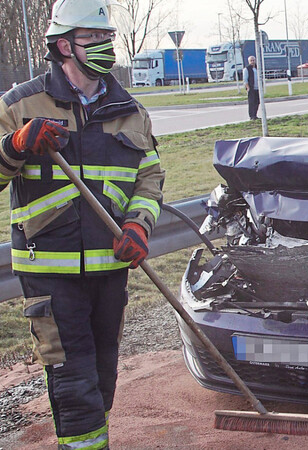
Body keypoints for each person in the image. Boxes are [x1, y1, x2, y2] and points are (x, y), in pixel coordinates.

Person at [0, 0, 164, 448]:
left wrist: (139, 226)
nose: (104, 48)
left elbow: (150, 178)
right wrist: (15, 146)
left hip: (109, 267)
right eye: (93, 40)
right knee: (74, 383)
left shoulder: (130, 109)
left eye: (107, 39)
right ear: (63, 45)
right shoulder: (20, 105)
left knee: (101, 377)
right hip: (50, 272)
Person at [243, 55, 259, 120]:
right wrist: (248, 87)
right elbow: (245, 80)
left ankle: (255, 115)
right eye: (251, 61)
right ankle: (251, 116)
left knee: (257, 102)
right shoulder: (246, 69)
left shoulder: (257, 68)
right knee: (252, 102)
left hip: (257, 88)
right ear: (249, 61)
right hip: (251, 88)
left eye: (253, 60)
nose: (252, 62)